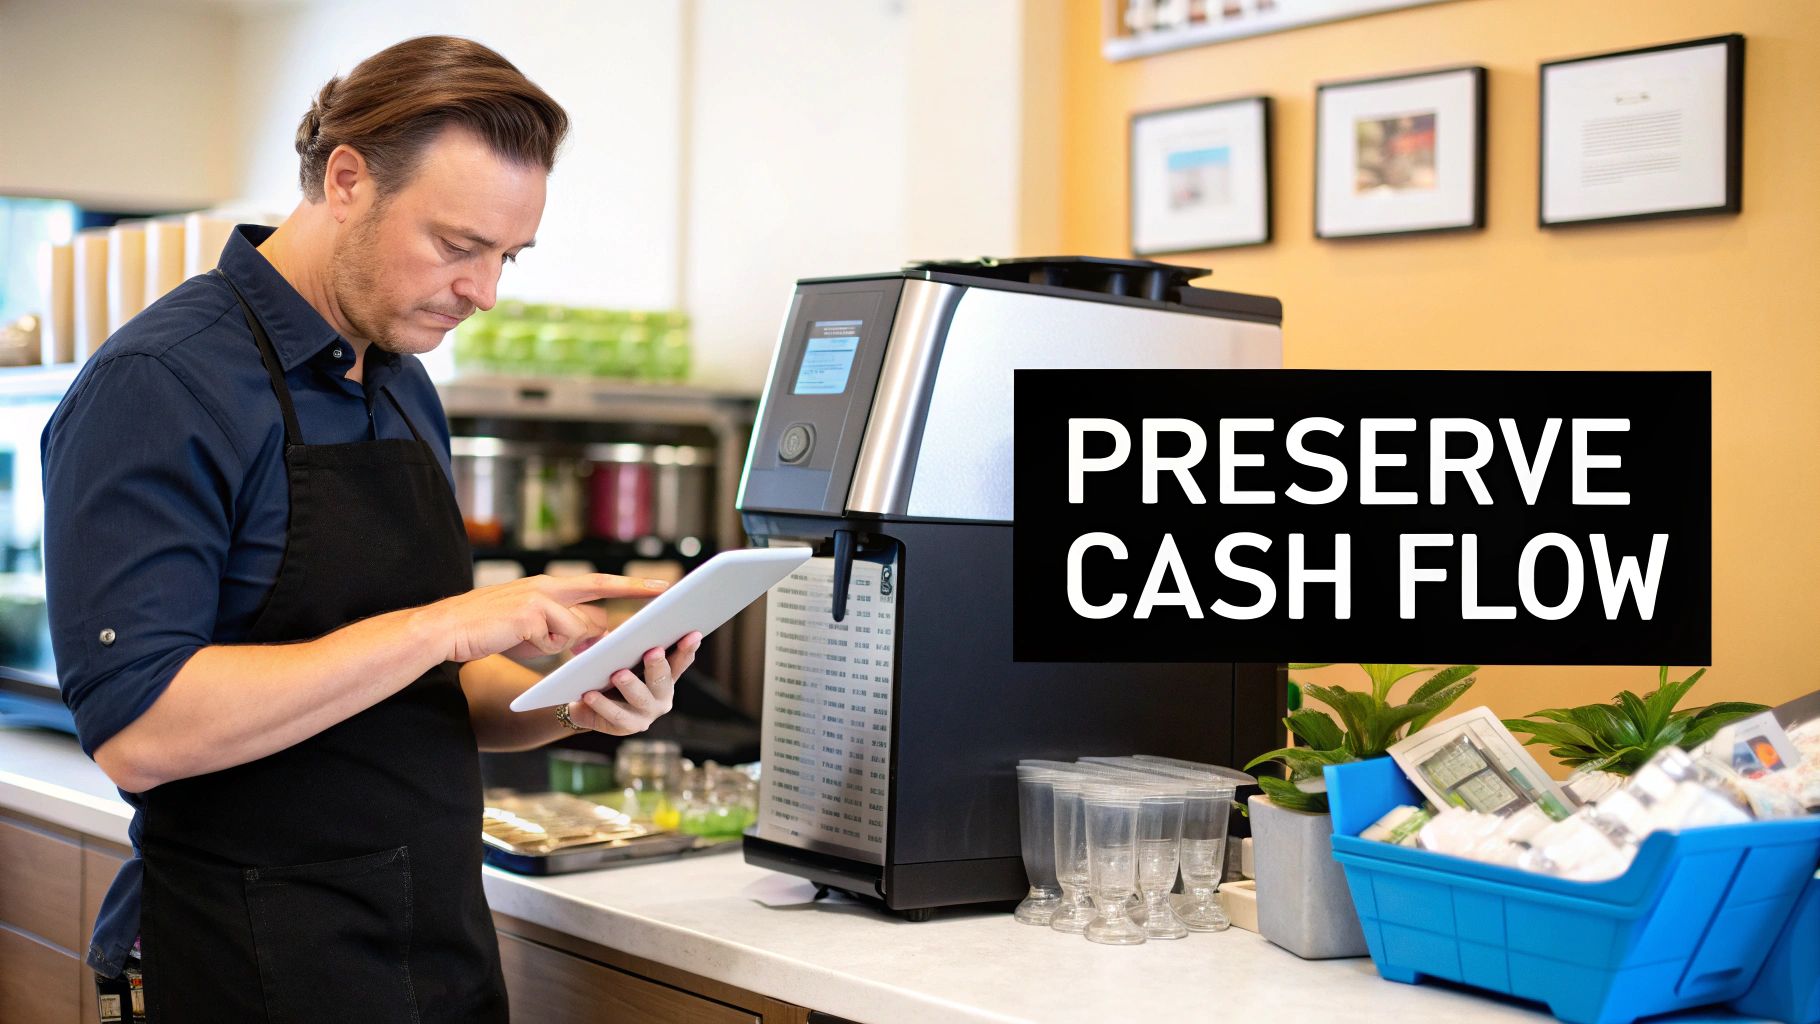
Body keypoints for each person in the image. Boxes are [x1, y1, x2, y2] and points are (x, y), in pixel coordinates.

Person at [41, 35, 699, 1021]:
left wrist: (575, 698)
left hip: (429, 953)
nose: (484, 292)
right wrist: (449, 624)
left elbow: (426, 692)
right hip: (243, 964)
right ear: (346, 179)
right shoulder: (163, 384)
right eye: (458, 245)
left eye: (506, 256)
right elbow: (141, 730)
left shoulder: (399, 383)